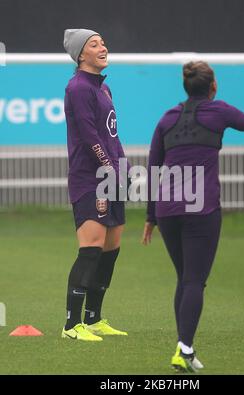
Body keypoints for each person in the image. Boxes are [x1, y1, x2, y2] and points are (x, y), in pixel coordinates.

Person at [142, 61, 244, 371]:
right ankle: (184, 348)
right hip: (201, 209)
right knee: (194, 281)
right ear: (212, 86)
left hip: (167, 211)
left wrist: (151, 217)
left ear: (185, 86)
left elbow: (152, 169)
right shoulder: (219, 111)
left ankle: (184, 348)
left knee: (185, 279)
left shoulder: (167, 118)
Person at [62, 29, 129, 341]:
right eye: (94, 44)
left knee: (111, 249)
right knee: (90, 248)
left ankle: (93, 319)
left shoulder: (105, 88)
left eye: (103, 41)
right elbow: (90, 137)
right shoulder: (77, 87)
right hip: (90, 178)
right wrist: (108, 167)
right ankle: (71, 325)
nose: (103, 47)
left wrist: (122, 167)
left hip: (111, 175)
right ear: (80, 55)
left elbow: (111, 135)